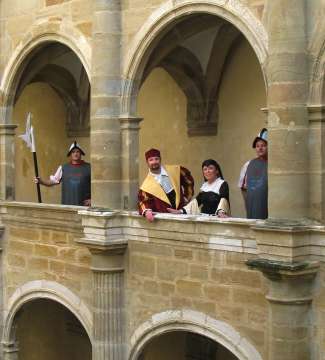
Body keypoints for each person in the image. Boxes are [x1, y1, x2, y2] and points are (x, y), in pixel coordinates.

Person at [138, 148, 194, 222]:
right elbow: (144, 201)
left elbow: (188, 181)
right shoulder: (146, 186)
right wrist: (147, 211)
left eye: (156, 159)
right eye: (151, 160)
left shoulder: (175, 170)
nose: (154, 162)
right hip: (164, 220)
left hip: (182, 214)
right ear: (147, 162)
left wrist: (186, 197)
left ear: (160, 159)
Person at [35, 141, 91, 206]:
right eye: (73, 152)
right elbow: (53, 181)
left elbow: (97, 185)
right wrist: (41, 181)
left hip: (84, 207)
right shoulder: (63, 168)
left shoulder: (89, 167)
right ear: (70, 154)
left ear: (81, 153)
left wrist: (92, 200)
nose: (75, 154)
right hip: (67, 206)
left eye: (77, 151)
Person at [238, 128, 268, 219]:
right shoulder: (248, 165)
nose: (260, 148)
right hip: (253, 208)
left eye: (263, 145)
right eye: (257, 146)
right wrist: (249, 204)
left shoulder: (275, 165)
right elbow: (243, 189)